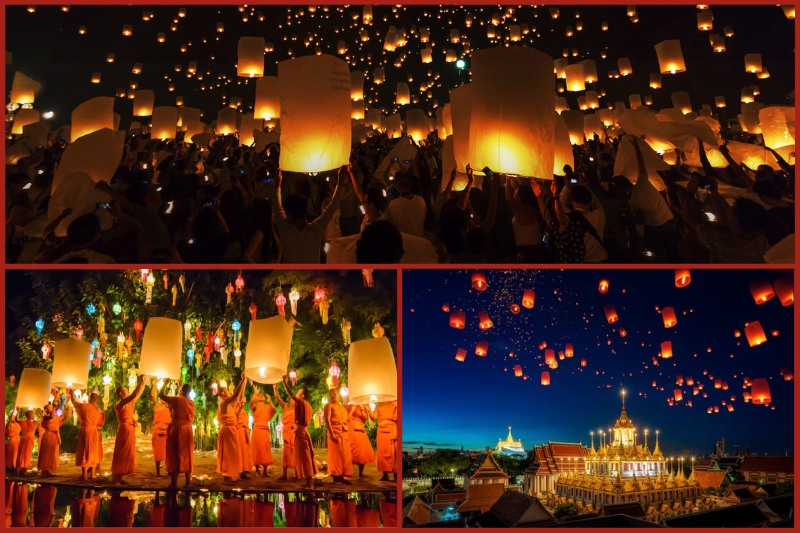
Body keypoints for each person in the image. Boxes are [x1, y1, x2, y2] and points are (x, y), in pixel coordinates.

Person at [272, 167, 345, 263]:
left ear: (288, 214)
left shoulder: (285, 229)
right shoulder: (316, 229)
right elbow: (333, 205)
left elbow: (276, 205)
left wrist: (277, 184)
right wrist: (341, 181)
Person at [281, 375, 316, 489]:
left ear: (302, 396)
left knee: (305, 457)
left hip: (301, 433)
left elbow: (291, 395)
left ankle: (310, 483)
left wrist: (285, 383)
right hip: (301, 432)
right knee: (304, 457)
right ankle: (308, 481)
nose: (296, 394)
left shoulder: (302, 403)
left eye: (298, 392)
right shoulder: (307, 406)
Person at [159, 381, 196, 488]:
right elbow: (183, 398)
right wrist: (181, 385)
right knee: (187, 453)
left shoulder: (176, 399)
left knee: (175, 453)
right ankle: (187, 482)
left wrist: (165, 383)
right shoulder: (191, 401)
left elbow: (161, 395)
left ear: (180, 391)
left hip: (177, 429)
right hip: (187, 429)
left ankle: (174, 482)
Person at [110, 375, 146, 484]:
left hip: (130, 428)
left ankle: (120, 475)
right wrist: (140, 382)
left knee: (127, 452)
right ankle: (116, 475)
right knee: (121, 452)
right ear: (120, 394)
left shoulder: (130, 403)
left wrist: (143, 383)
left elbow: (138, 394)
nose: (127, 392)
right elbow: (134, 394)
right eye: (125, 391)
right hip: (124, 428)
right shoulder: (119, 404)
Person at [70, 389, 104, 480]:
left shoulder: (85, 406)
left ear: (89, 398)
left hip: (85, 430)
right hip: (94, 431)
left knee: (84, 450)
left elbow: (74, 403)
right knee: (93, 450)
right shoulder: (98, 409)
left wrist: (71, 393)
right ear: (97, 399)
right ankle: (92, 474)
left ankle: (84, 474)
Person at [217, 377, 245, 484]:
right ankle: (226, 477)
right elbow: (236, 395)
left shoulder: (228, 405)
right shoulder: (223, 404)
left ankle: (230, 474)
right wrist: (242, 381)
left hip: (232, 430)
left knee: (233, 453)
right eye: (226, 391)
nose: (229, 392)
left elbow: (235, 417)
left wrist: (240, 408)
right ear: (223, 394)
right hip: (227, 431)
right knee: (228, 454)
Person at [381, 170, 427, 238]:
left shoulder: (393, 204)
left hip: (404, 240)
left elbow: (384, 222)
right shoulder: (421, 200)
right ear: (411, 184)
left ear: (396, 185)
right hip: (419, 238)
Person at [324, 388, 353, 485]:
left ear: (338, 395)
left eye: (335, 393)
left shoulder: (342, 407)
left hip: (344, 432)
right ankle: (336, 476)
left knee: (345, 454)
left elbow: (347, 419)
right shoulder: (328, 405)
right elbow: (327, 420)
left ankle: (343, 475)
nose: (333, 395)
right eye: (331, 393)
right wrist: (331, 433)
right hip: (335, 431)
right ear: (329, 395)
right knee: (336, 455)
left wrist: (352, 408)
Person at [250, 389, 277, 477]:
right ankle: (257, 469)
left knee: (265, 449)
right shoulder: (255, 406)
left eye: (262, 395)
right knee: (257, 449)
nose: (261, 395)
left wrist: (270, 401)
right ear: (257, 398)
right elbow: (251, 403)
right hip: (257, 429)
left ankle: (265, 470)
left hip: (265, 429)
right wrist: (255, 394)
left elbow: (274, 410)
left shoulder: (267, 406)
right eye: (259, 395)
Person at [273, 382, 296, 480]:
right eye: (290, 399)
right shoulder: (285, 407)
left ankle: (297, 472)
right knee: (286, 453)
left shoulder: (297, 408)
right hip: (286, 432)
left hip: (294, 432)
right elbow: (278, 399)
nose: (291, 400)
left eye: (293, 399)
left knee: (295, 452)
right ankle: (284, 474)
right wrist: (275, 388)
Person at [348, 404, 375, 481]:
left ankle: (360, 474)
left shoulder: (365, 405)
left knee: (362, 451)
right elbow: (348, 418)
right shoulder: (351, 405)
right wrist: (352, 409)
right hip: (351, 429)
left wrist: (363, 409)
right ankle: (347, 472)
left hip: (360, 429)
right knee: (350, 450)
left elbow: (366, 418)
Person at [151, 385, 172, 477]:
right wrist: (155, 382)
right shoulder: (157, 405)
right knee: (158, 452)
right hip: (157, 431)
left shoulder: (170, 408)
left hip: (168, 431)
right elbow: (152, 395)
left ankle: (169, 470)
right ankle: (158, 472)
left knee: (169, 452)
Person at [36, 404, 62, 477]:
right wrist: (54, 408)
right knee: (46, 454)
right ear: (46, 410)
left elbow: (61, 418)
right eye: (49, 407)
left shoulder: (55, 417)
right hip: (48, 436)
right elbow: (51, 416)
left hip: (54, 436)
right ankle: (44, 471)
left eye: (51, 407)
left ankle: (47, 470)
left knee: (51, 454)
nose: (51, 408)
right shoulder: (45, 417)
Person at [375, 401, 397, 482]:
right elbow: (374, 417)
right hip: (381, 430)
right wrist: (367, 408)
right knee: (382, 451)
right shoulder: (379, 406)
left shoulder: (395, 404)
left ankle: (396, 474)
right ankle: (385, 474)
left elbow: (396, 418)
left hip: (391, 429)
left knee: (393, 452)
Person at [16, 408, 40, 473]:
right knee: (27, 454)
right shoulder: (35, 423)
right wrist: (39, 412)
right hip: (29, 439)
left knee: (22, 453)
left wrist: (18, 412)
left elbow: (16, 419)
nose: (34, 415)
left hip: (23, 439)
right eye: (33, 414)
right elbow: (42, 420)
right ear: (30, 416)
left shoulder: (23, 422)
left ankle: (21, 467)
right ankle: (24, 468)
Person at [235, 398, 253, 479]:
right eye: (242, 400)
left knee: (245, 451)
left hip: (245, 431)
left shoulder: (244, 410)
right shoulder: (236, 408)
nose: (244, 402)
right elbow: (235, 417)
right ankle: (240, 470)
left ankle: (245, 468)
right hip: (239, 431)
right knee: (241, 451)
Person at [5, 409, 21, 474]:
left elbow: (17, 419)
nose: (13, 417)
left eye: (14, 416)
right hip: (12, 441)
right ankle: (9, 466)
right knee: (11, 454)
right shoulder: (8, 425)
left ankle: (13, 466)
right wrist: (11, 415)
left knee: (16, 454)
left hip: (17, 440)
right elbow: (8, 426)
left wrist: (18, 412)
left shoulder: (17, 423)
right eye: (12, 416)